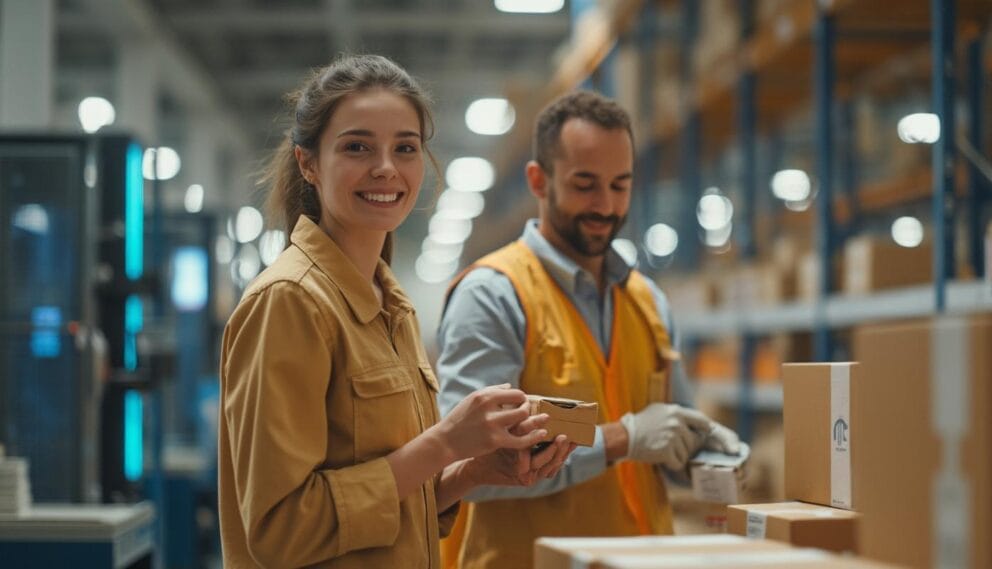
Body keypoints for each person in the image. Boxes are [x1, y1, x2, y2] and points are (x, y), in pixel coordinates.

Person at [217, 54, 574, 569]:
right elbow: (280, 532)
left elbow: (384, 517)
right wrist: (444, 442)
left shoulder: (391, 305)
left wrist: (469, 470)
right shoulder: (290, 303)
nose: (385, 167)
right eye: (357, 146)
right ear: (308, 163)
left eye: (405, 147)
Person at [437, 91, 743, 569]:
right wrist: (622, 438)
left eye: (620, 185)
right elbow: (463, 467)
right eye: (585, 185)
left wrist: (707, 456)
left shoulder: (647, 301)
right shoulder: (495, 296)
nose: (605, 205)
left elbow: (666, 436)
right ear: (539, 180)